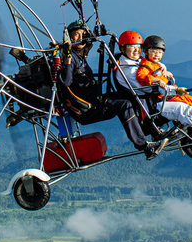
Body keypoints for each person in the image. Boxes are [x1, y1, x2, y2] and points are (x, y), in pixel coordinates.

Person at [57, 21, 161, 159]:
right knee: (124, 105)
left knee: (128, 95)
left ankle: (151, 130)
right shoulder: (71, 57)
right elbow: (66, 81)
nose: (79, 38)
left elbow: (88, 44)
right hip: (86, 108)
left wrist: (97, 34)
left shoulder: (81, 55)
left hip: (94, 100)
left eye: (82, 34)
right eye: (75, 35)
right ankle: (145, 147)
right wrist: (67, 58)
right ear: (69, 37)